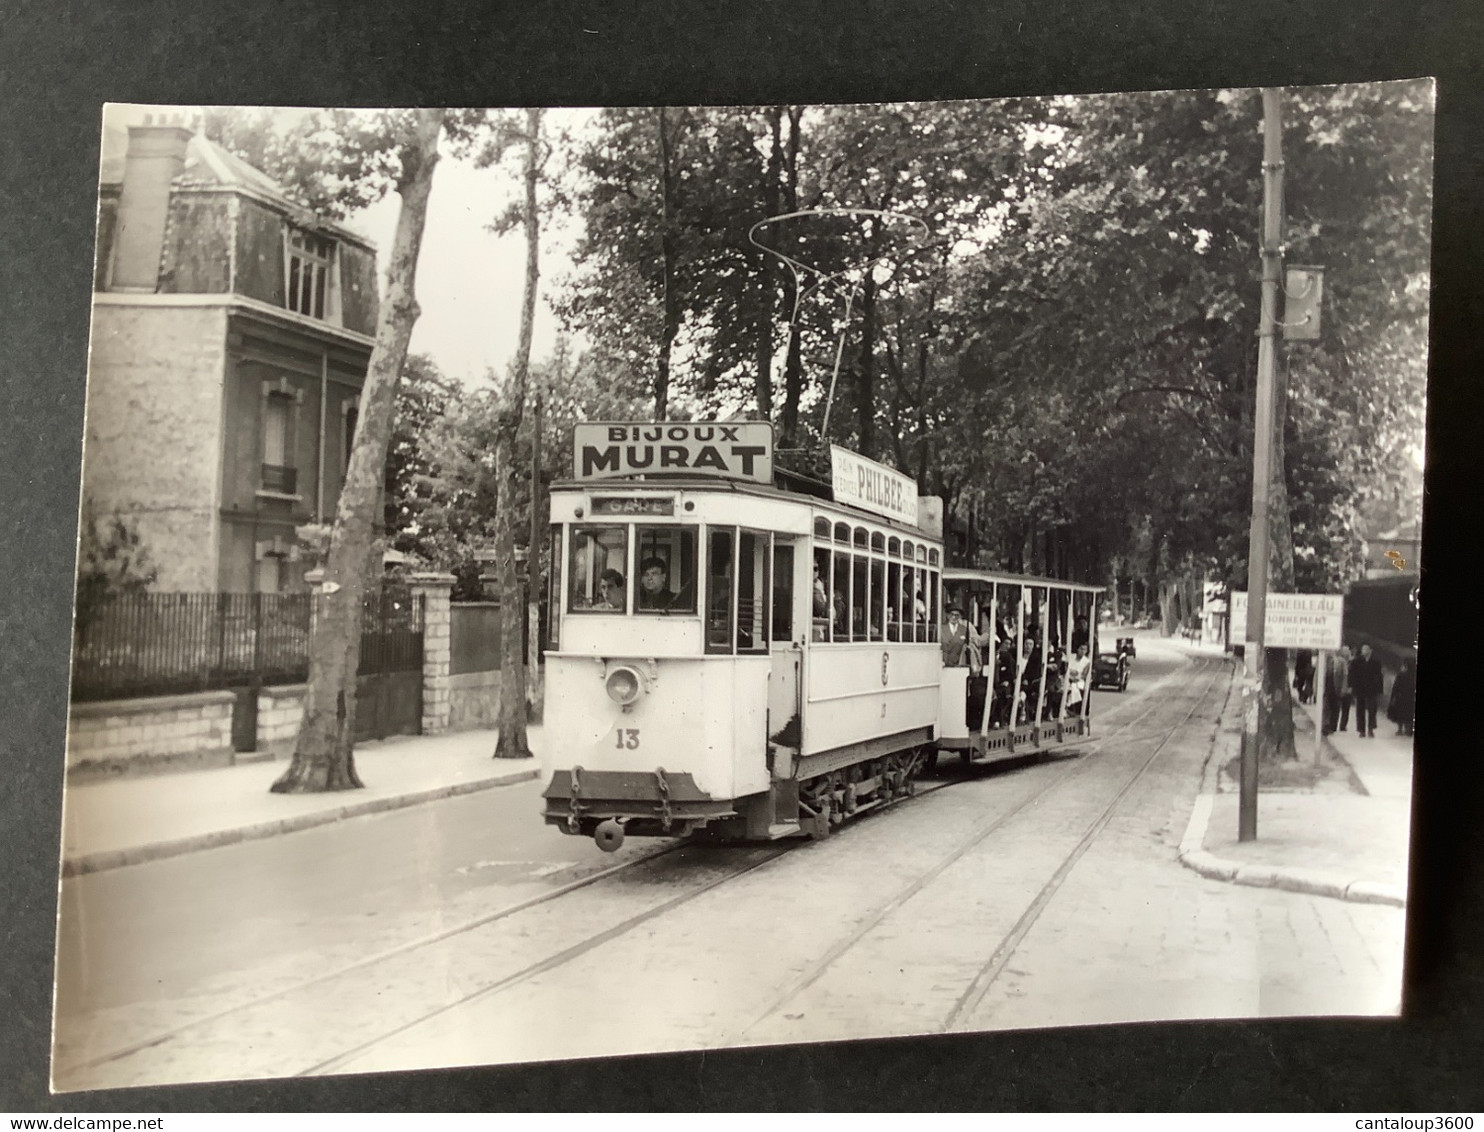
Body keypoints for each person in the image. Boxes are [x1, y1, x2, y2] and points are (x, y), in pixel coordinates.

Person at [1349, 643, 1384, 738]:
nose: (1364, 651)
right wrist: (1351, 686)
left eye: (1366, 649)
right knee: (1360, 710)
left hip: (1371, 690)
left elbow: (1379, 676)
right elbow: (1352, 675)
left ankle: (1371, 729)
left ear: (1370, 650)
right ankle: (1361, 730)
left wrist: (1380, 690)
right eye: (1363, 649)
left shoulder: (1376, 662)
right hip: (1359, 689)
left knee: (1372, 710)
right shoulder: (1356, 661)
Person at [1322, 646, 1352, 735]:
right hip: (1326, 687)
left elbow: (1345, 676)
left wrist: (1344, 688)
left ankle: (1332, 726)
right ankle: (1325, 725)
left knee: (1335, 707)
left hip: (1336, 688)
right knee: (1325, 707)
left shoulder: (1341, 661)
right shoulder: (1323, 661)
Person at [1387, 658, 1416, 736]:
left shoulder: (1401, 675)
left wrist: (1393, 697)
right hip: (1411, 698)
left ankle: (1400, 729)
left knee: (1400, 713)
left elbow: (1396, 687)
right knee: (1409, 714)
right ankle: (1408, 729)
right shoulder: (1413, 675)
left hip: (1401, 697)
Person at [1065, 643, 1091, 716]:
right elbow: (1066, 668)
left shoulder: (1087, 662)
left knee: (1076, 687)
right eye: (1081, 649)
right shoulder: (1071, 657)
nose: (1082, 651)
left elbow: (1083, 675)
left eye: (1085, 650)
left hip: (1078, 681)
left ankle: (1072, 709)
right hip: (1067, 678)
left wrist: (1076, 677)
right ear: (1077, 649)